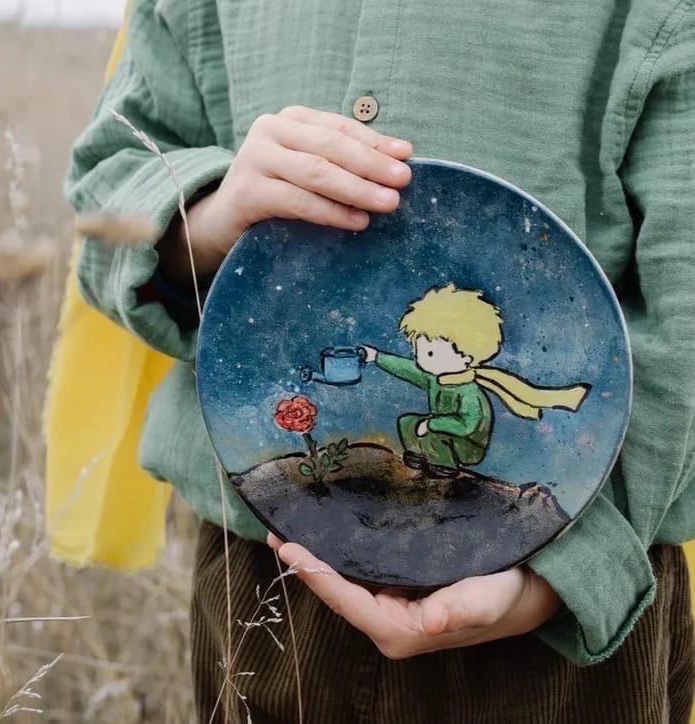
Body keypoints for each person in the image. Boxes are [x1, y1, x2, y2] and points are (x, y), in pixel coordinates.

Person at [65, 0, 694, 721]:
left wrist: (568, 574)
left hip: (557, 625)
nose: (425, 355)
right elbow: (107, 194)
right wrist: (208, 214)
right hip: (265, 583)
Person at [361, 284, 590, 476]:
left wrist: (431, 424)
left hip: (467, 444)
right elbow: (407, 369)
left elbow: (466, 425)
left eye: (430, 353)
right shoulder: (436, 379)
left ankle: (444, 466)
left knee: (434, 433)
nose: (421, 358)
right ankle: (419, 455)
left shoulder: (469, 392)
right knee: (407, 422)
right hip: (445, 433)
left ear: (466, 356)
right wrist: (377, 357)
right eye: (418, 351)